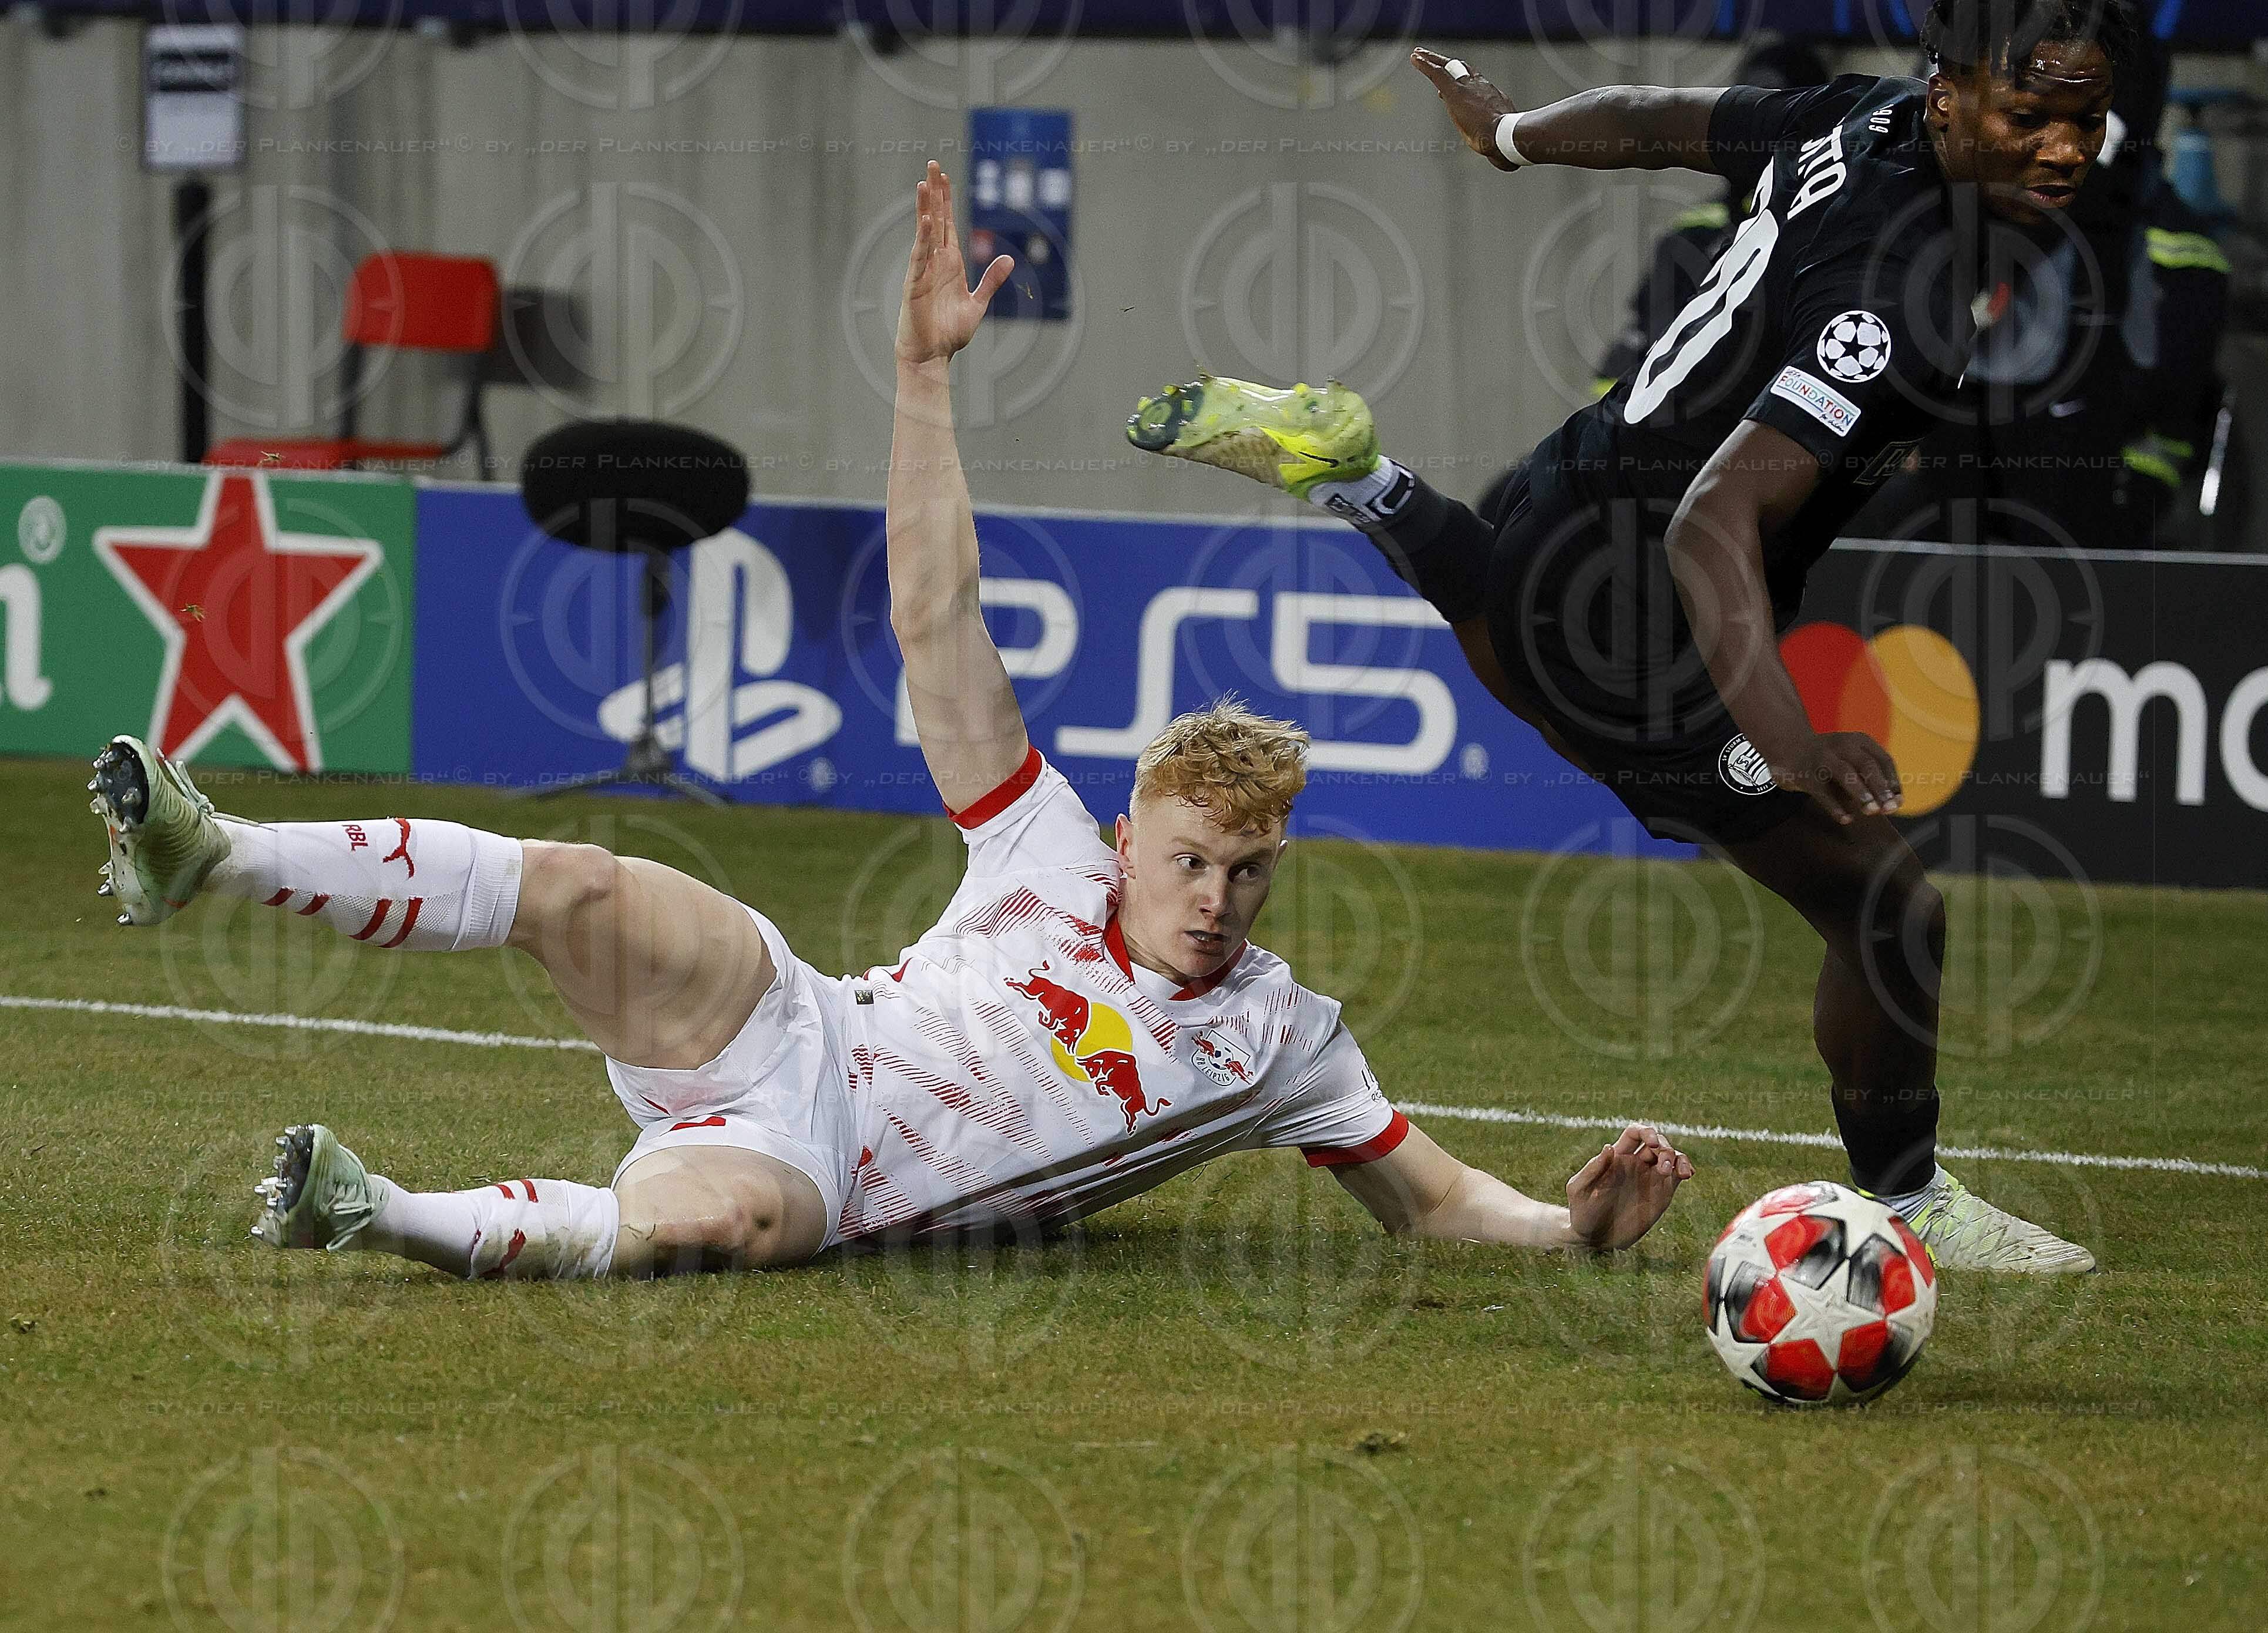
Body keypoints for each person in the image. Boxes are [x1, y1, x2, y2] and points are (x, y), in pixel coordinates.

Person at [83, 162, 1692, 1283]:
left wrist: (1567, 1232)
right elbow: (935, 611)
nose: (1216, 900)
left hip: (830, 1176)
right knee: (576, 878)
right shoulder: (1044, 842)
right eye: (1194, 860)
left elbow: (1428, 1201)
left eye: (1248, 874)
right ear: (1129, 836)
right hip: (797, 1027)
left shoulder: (1281, 1041)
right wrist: (920, 376)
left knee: (706, 1229)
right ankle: (206, 849)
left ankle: (376, 1211)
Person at [1128, 0, 2136, 1272]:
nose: (2060, 148)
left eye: (2082, 120)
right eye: (2027, 115)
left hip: (1567, 491)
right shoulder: (1898, 302)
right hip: (1648, 611)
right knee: (1887, 910)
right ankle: (1908, 1195)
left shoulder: (1855, 113)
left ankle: (1361, 482)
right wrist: (1787, 740)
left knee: (1515, 636)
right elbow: (1713, 523)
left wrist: (1510, 136)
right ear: (1948, 99)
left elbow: (1659, 120)